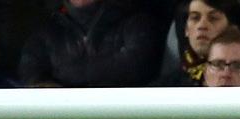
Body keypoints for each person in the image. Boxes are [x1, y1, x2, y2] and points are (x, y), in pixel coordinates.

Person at [17, 0, 168, 88]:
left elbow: (136, 68)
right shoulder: (46, 31)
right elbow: (33, 80)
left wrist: (64, 75)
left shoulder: (137, 20)